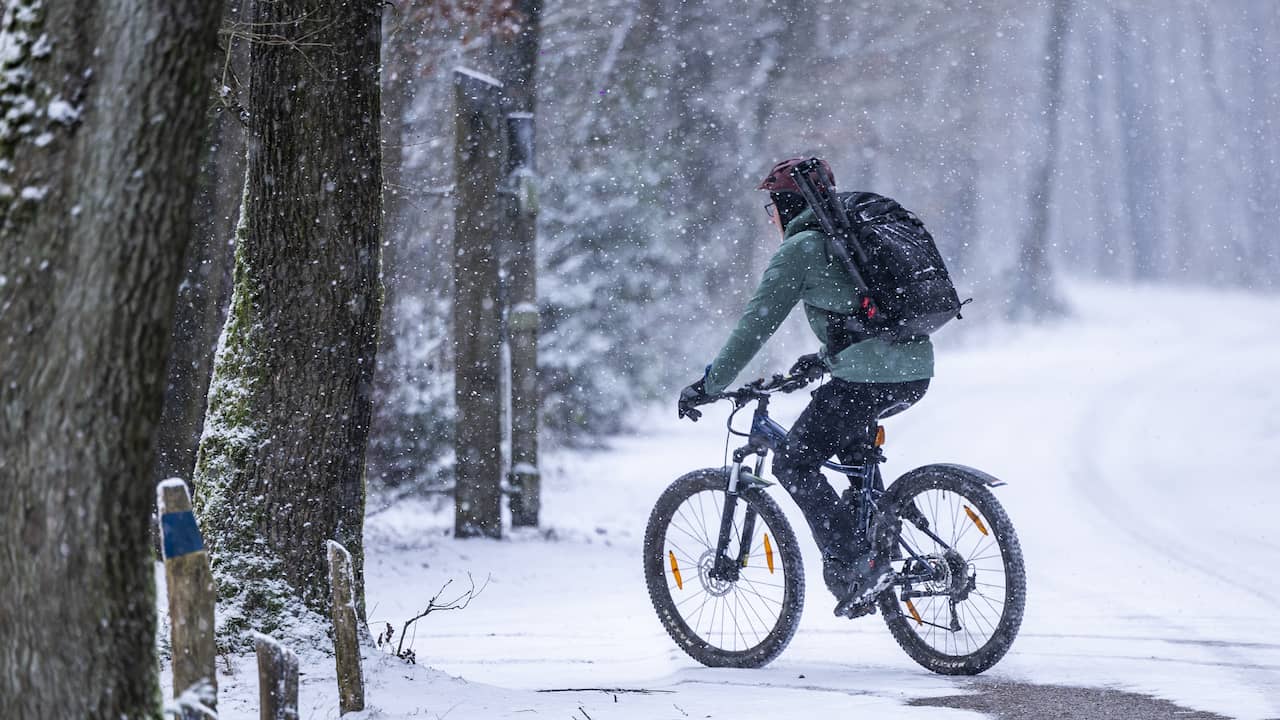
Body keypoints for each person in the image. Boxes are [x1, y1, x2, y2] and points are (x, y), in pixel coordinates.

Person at [678, 157, 933, 618]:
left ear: (782, 203)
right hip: (913, 373)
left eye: (770, 208)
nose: (770, 218)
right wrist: (822, 360)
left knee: (795, 461)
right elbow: (861, 314)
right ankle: (877, 537)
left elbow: (755, 325)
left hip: (865, 379)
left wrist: (711, 383)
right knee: (851, 450)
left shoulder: (801, 249)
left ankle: (857, 563)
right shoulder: (848, 238)